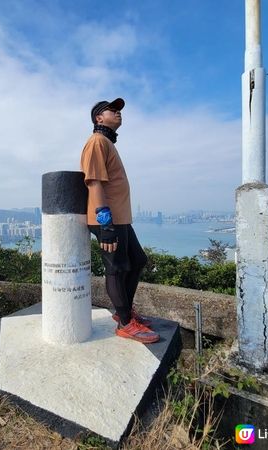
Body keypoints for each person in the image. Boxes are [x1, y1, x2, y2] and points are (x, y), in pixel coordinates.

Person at [80, 98, 159, 344]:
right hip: (108, 219)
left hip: (120, 219)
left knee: (137, 260)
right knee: (116, 267)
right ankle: (126, 323)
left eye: (120, 110)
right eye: (112, 110)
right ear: (98, 118)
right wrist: (105, 224)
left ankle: (124, 313)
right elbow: (93, 182)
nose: (118, 113)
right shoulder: (96, 142)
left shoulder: (106, 143)